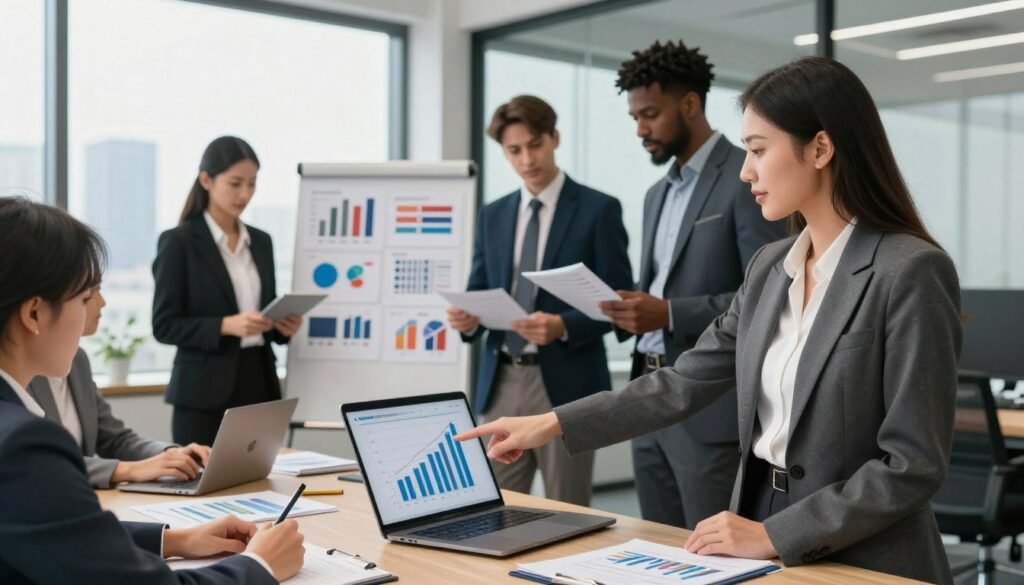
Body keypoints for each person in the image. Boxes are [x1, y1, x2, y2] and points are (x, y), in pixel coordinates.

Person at [457, 57, 962, 584]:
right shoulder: (771, 267)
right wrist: (552, 423)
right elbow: (683, 382)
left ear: (819, 148)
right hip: (756, 524)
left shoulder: (910, 271)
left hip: (865, 555)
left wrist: (775, 535)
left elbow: (912, 466)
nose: (746, 171)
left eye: (758, 150)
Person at [0, 196, 305, 583]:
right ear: (33, 314)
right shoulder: (24, 444)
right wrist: (259, 566)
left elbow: (56, 531)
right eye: (85, 298)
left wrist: (175, 540)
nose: (98, 306)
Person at [600, 39, 787, 529]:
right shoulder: (654, 194)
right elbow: (661, 283)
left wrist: (667, 312)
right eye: (634, 117)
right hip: (650, 393)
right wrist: (631, 310)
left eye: (651, 114)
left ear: (689, 104)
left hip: (708, 410)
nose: (641, 129)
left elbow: (768, 293)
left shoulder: (747, 181)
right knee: (653, 547)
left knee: (710, 558)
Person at [446, 95, 633, 505]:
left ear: (555, 138)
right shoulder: (493, 215)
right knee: (495, 506)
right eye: (514, 150)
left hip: (567, 383)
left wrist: (563, 325)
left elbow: (621, 304)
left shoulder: (598, 209)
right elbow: (480, 287)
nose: (526, 158)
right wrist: (469, 319)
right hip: (501, 380)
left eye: (535, 145)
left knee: (569, 508)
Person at [152, 136, 301, 445]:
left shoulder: (261, 242)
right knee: (202, 484)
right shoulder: (178, 242)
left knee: (262, 480)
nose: (244, 194)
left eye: (252, 184)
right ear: (206, 179)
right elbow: (164, 326)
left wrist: (282, 327)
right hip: (203, 392)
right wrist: (225, 325)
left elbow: (262, 319)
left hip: (259, 381)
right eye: (235, 183)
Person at [27, 286, 212, 488]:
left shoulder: (78, 360)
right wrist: (129, 470)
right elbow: (39, 460)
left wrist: (170, 455)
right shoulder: (18, 372)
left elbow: (115, 439)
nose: (103, 302)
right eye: (88, 296)